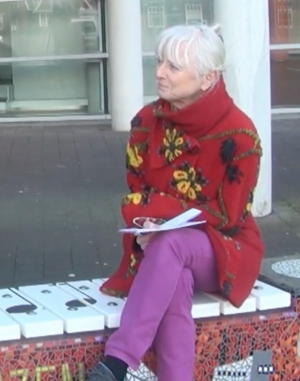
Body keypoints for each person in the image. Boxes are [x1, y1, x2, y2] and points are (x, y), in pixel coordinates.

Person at [89, 24, 265, 381]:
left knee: (171, 246)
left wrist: (164, 220)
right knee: (175, 278)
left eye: (172, 66)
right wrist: (145, 227)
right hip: (163, 248)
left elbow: (228, 216)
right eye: (159, 62)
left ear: (207, 78)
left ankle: (119, 360)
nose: (159, 73)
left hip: (225, 248)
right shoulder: (145, 123)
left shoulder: (240, 135)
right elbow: (136, 196)